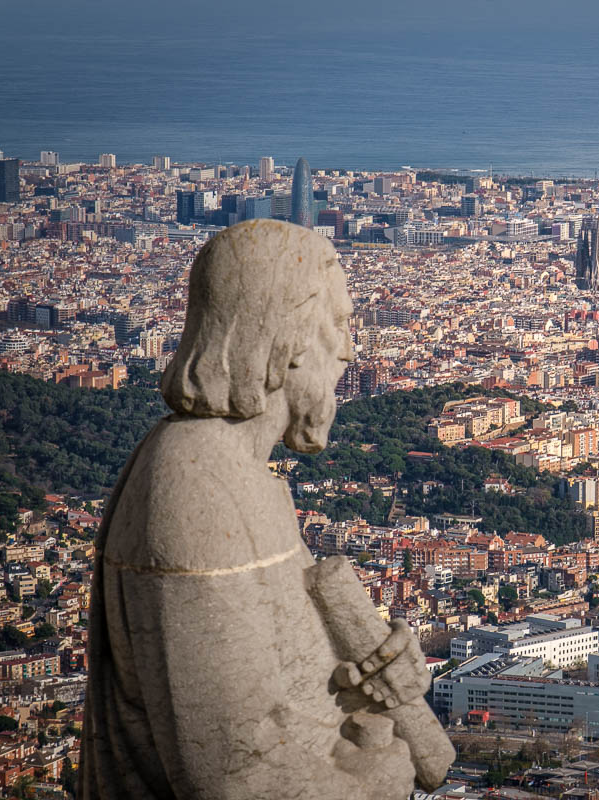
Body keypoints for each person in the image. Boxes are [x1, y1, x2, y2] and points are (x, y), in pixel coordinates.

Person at [80, 220, 429, 799]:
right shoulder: (191, 485)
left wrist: (371, 681)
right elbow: (235, 775)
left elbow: (284, 689)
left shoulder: (247, 480)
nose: (347, 350)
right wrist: (381, 774)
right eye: (338, 325)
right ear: (287, 338)